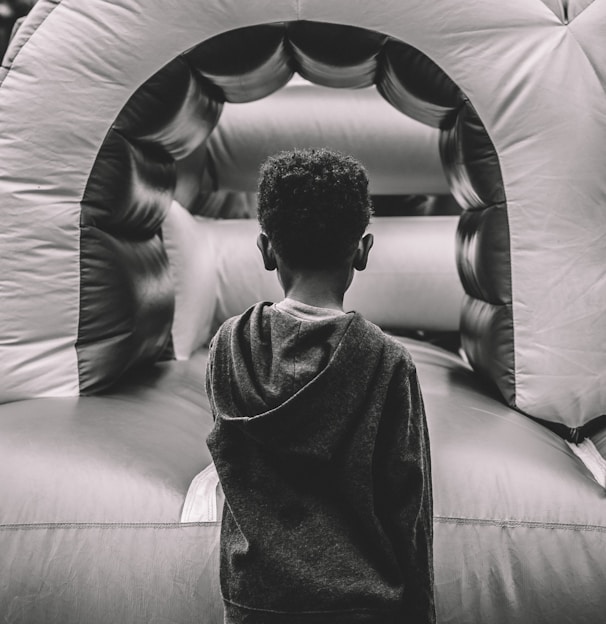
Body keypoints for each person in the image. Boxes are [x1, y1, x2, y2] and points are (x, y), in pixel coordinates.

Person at [206, 148, 435, 624]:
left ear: (266, 249)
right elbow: (408, 508)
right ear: (363, 250)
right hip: (366, 605)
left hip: (256, 603)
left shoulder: (230, 347)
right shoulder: (388, 363)